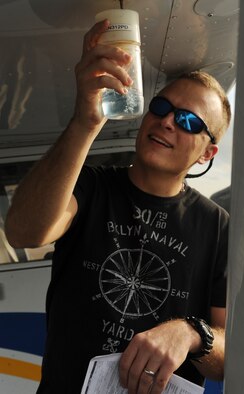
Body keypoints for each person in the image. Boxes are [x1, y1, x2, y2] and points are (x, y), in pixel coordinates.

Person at [5, 18, 231, 394]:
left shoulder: (219, 227)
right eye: (161, 106)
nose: (168, 121)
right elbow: (23, 231)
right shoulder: (89, 187)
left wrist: (191, 332)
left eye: (190, 121)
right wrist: (84, 121)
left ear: (208, 152)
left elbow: (230, 355)